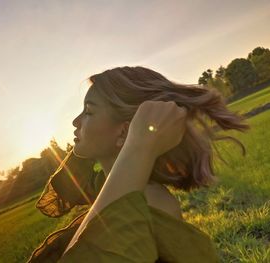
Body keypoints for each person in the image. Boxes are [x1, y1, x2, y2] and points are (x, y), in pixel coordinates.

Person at [28, 66, 250, 262]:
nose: (75, 121)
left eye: (89, 111)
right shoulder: (108, 184)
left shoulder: (153, 203)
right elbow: (65, 189)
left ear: (125, 131)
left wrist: (139, 143)